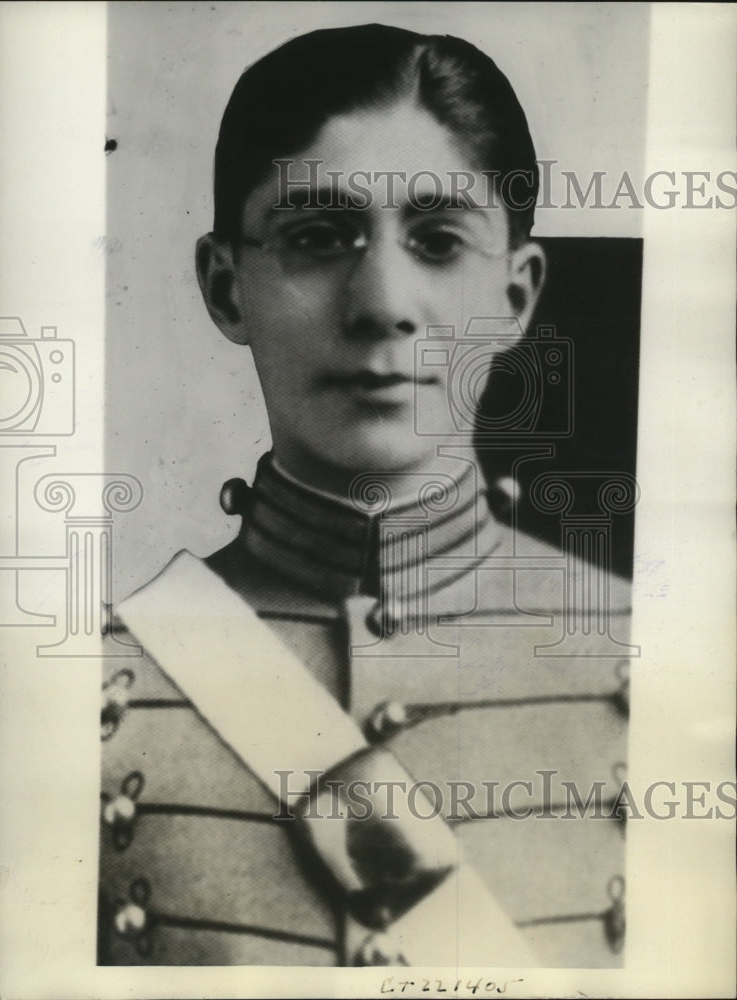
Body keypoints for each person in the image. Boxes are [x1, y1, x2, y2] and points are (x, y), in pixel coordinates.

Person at [98, 23, 632, 968]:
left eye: (436, 240)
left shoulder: (659, 669)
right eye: (316, 236)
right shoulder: (87, 693)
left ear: (517, 296)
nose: (382, 300)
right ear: (226, 290)